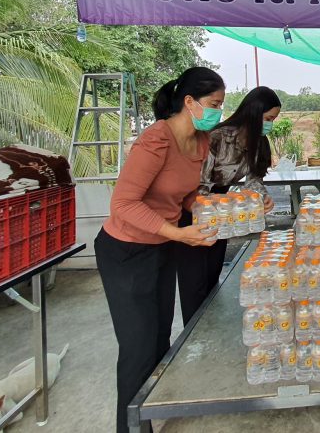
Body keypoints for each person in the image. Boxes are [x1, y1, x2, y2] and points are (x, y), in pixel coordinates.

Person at [94, 67, 225, 433]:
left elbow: (186, 196)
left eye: (221, 105)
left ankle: (148, 416)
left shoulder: (200, 141)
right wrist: (178, 233)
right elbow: (123, 204)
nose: (218, 112)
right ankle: (131, 428)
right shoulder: (156, 140)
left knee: (158, 340)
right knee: (137, 349)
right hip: (126, 252)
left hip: (162, 248)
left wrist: (222, 208)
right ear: (189, 102)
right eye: (214, 104)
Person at [176, 86, 281, 324]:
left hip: (221, 211)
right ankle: (194, 330)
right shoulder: (217, 137)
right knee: (194, 279)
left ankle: (209, 324)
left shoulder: (258, 142)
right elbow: (199, 183)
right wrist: (213, 208)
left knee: (213, 272)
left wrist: (261, 197)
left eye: (273, 120)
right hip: (195, 207)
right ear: (253, 112)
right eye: (267, 118)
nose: (269, 125)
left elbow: (253, 180)